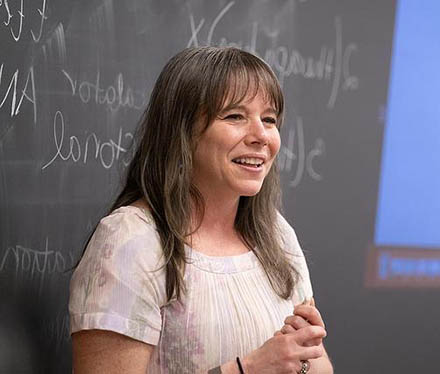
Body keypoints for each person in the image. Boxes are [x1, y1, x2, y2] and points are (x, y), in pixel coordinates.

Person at [69, 46, 333, 374]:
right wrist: (248, 369)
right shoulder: (130, 243)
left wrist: (303, 354)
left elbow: (320, 366)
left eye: (269, 119)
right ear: (182, 131)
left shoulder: (276, 235)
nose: (262, 136)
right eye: (235, 116)